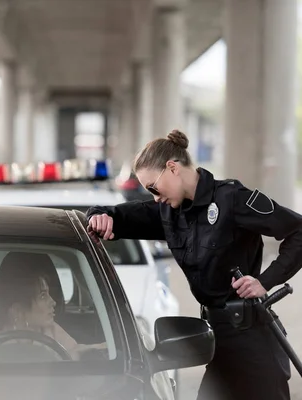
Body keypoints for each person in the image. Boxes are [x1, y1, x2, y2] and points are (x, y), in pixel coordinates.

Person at [86, 129, 302, 400]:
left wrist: (265, 281)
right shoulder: (169, 212)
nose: (154, 196)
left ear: (172, 168)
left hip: (253, 342)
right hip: (217, 342)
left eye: (153, 187)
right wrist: (98, 216)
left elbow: (298, 231)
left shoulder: (232, 199)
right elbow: (119, 215)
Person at [0, 259, 106, 360]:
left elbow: (75, 351)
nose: (53, 302)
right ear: (17, 311)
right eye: (42, 296)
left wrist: (108, 349)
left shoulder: (52, 330)